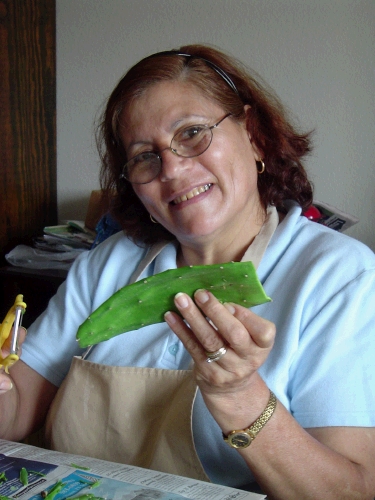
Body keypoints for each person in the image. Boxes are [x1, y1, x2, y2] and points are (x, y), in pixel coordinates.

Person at [1, 44, 375, 499]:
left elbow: (353, 491)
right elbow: (16, 415)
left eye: (193, 133)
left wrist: (240, 397)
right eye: (144, 156)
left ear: (253, 134)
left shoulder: (338, 276)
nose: (173, 169)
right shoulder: (105, 265)